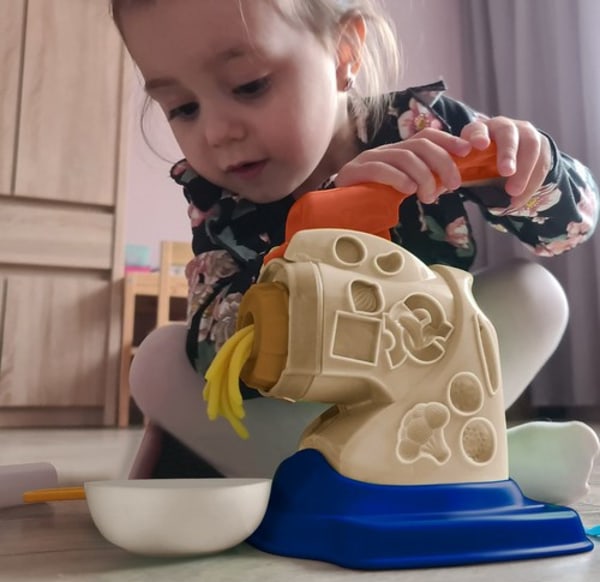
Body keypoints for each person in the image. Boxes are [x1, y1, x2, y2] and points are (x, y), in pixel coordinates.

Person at [112, 0, 599, 503]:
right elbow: (217, 344)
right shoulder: (218, 197)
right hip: (302, 410)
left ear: (344, 55)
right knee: (158, 360)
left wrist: (527, 175)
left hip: (433, 381)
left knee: (534, 291)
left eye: (249, 85)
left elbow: (569, 230)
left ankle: (443, 463)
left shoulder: (426, 126)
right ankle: (460, 471)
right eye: (183, 108)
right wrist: (319, 231)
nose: (216, 133)